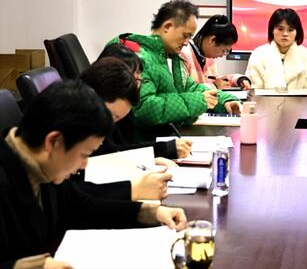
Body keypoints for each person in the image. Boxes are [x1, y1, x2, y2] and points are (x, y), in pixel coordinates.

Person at [0, 80, 187, 269]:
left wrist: (151, 213)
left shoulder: (45, 167)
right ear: (54, 141)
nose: (84, 164)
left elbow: (79, 206)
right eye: (84, 154)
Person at [108, 0, 241, 136]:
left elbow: (191, 87)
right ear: (167, 27)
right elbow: (145, 108)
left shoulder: (170, 57)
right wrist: (198, 101)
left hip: (166, 137)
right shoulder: (139, 57)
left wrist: (225, 101)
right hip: (144, 142)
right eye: (185, 36)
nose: (186, 43)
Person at [94, 45, 193, 159]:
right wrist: (164, 149)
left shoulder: (124, 107)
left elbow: (123, 148)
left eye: (139, 80)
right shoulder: (99, 110)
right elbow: (108, 155)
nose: (137, 86)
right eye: (134, 80)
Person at [245, 8, 307, 90]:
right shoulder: (258, 54)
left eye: (290, 30)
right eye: (280, 29)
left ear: (297, 32)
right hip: (265, 99)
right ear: (272, 30)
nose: (285, 34)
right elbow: (254, 90)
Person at [179, 14, 251, 89]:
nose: (222, 55)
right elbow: (185, 90)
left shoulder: (207, 56)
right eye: (224, 51)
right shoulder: (184, 55)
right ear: (212, 40)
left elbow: (216, 80)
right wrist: (214, 86)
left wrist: (239, 79)